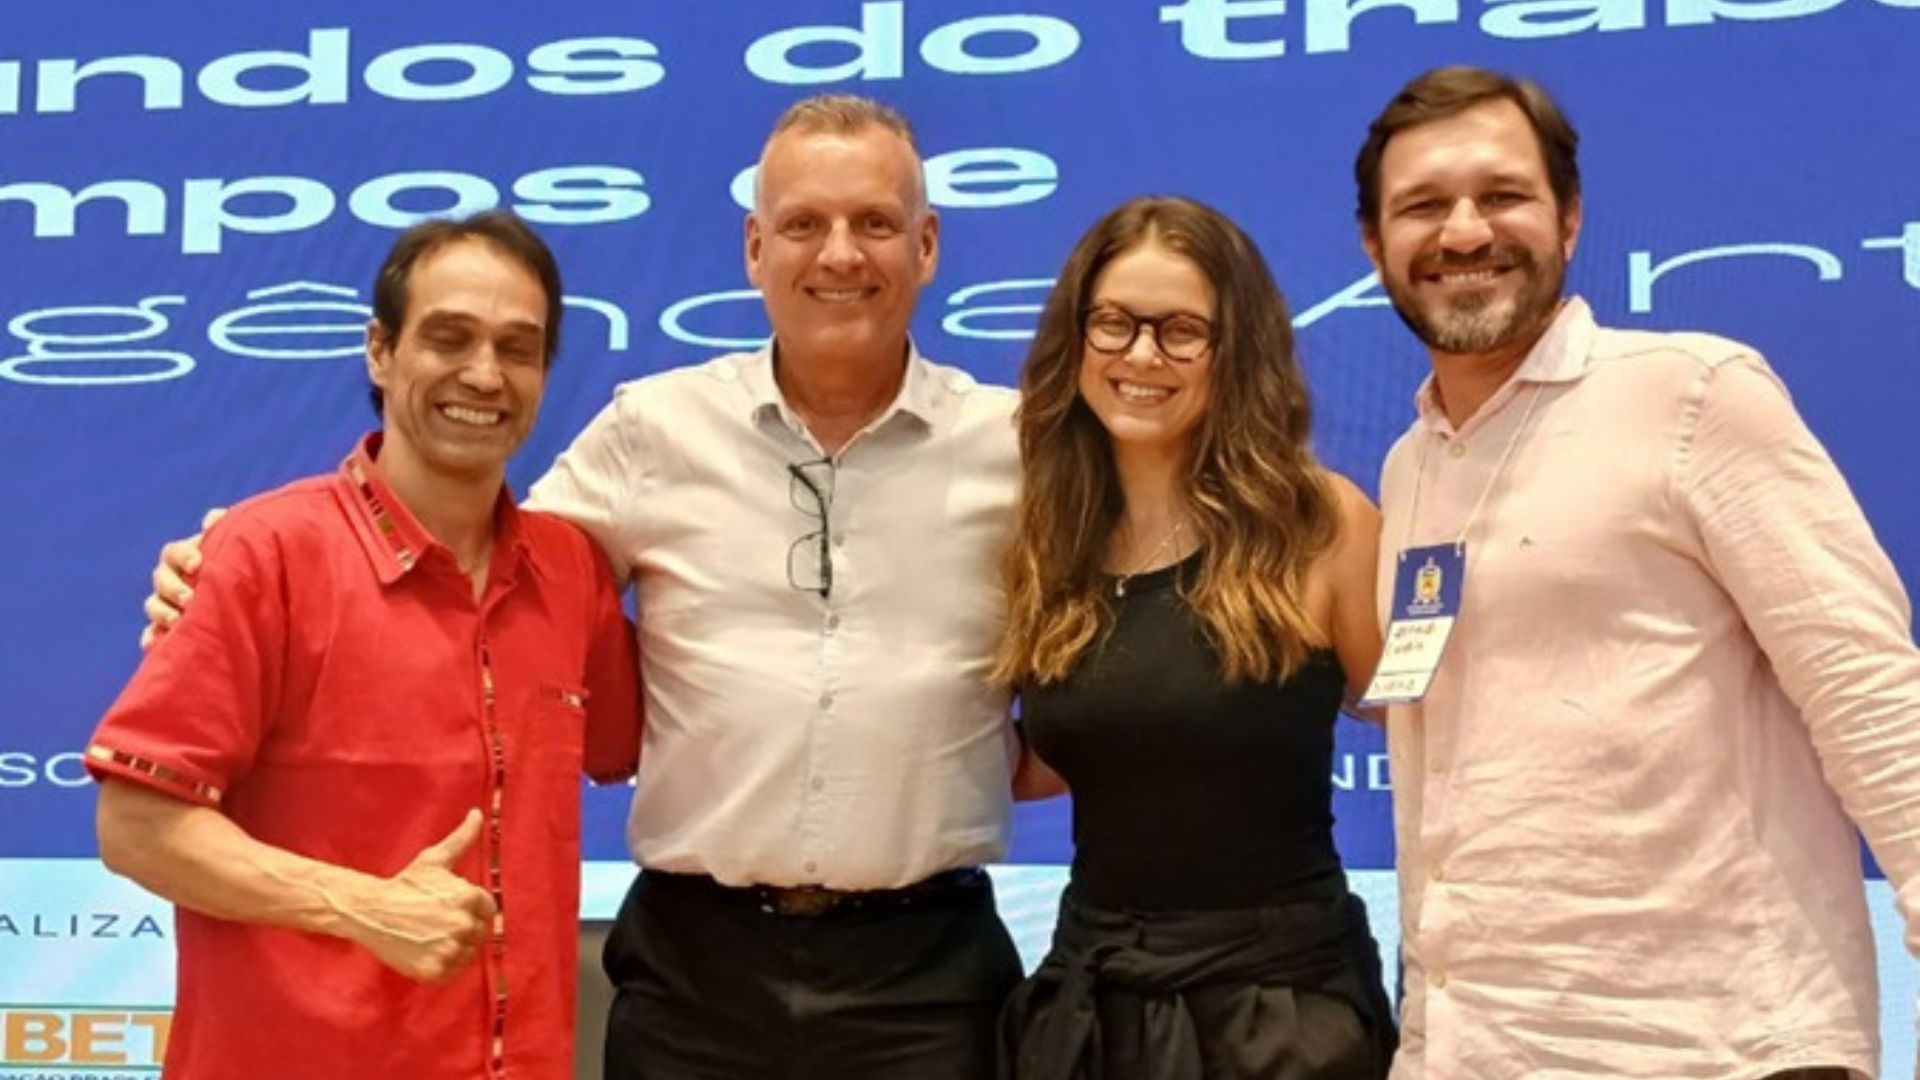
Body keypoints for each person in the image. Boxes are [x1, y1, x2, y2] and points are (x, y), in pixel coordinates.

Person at [144, 95, 1025, 1079]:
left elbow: (1124, 645)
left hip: (929, 977)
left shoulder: (1022, 449)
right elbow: (468, 548)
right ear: (754, 248)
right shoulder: (654, 429)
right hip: (697, 976)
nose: (840, 254)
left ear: (927, 244)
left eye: (875, 223)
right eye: (803, 224)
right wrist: (233, 559)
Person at [1356, 65, 1920, 1079]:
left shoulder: (1693, 395)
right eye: (1424, 206)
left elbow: (1865, 684)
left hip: (1721, 1048)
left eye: (1503, 195)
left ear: (1569, 219)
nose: (1465, 232)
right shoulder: (1411, 465)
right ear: (1374, 245)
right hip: (1486, 1049)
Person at [89, 210, 643, 1079]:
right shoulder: (264, 553)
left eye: (518, 348)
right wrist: (362, 905)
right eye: (448, 338)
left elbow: (645, 735)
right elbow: (135, 824)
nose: (485, 374)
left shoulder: (570, 573)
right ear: (380, 352)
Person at [995, 196, 1396, 1079]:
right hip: (1091, 1005)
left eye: (1181, 331)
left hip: (1284, 1016)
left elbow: (1425, 738)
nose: (1141, 356)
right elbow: (1063, 756)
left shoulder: (1322, 524)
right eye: (1114, 323)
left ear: (1237, 349)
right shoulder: (1043, 539)